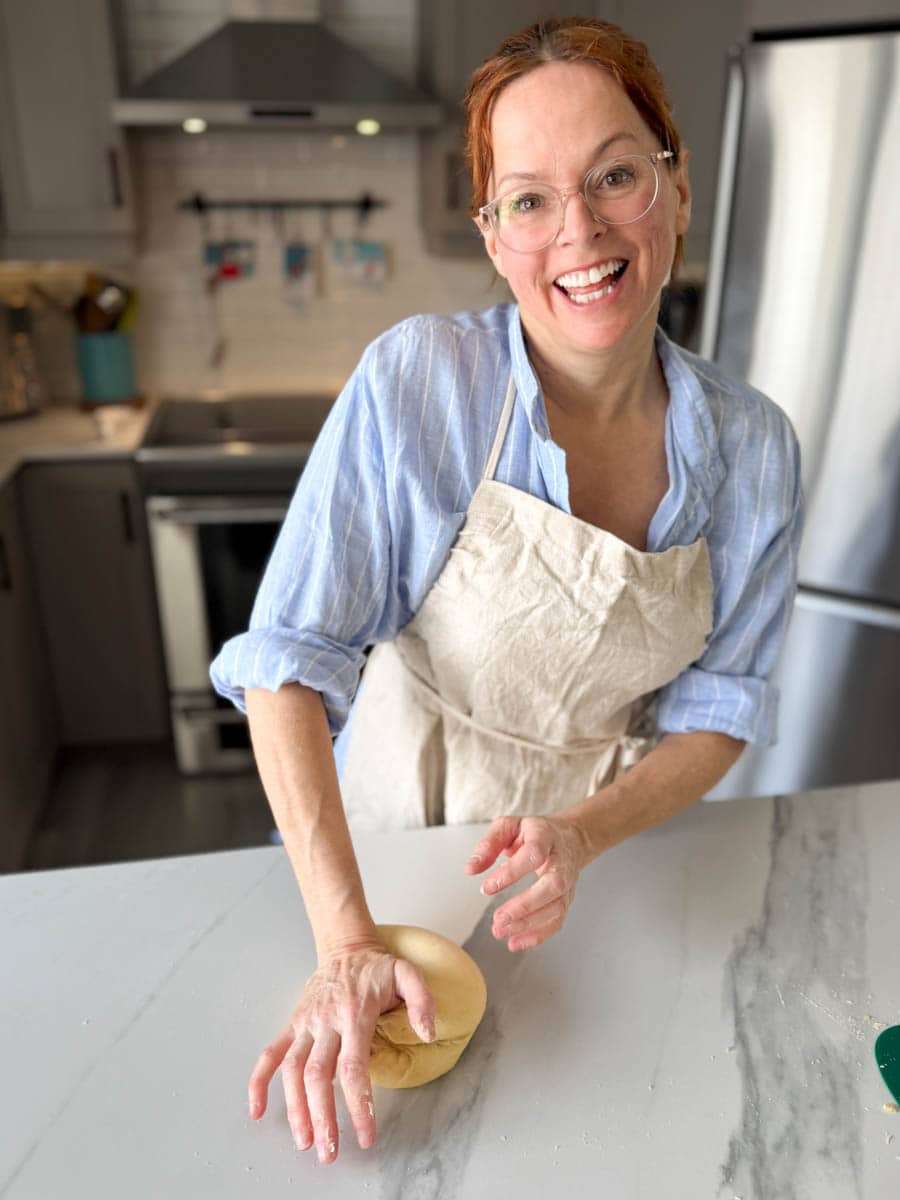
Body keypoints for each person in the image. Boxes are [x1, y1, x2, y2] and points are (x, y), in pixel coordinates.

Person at [210, 16, 802, 1166]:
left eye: (616, 176)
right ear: (493, 235)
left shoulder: (757, 449)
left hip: (596, 864)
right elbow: (288, 661)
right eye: (528, 200)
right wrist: (344, 943)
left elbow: (720, 708)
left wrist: (582, 838)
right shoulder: (422, 383)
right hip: (387, 869)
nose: (579, 230)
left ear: (676, 189)